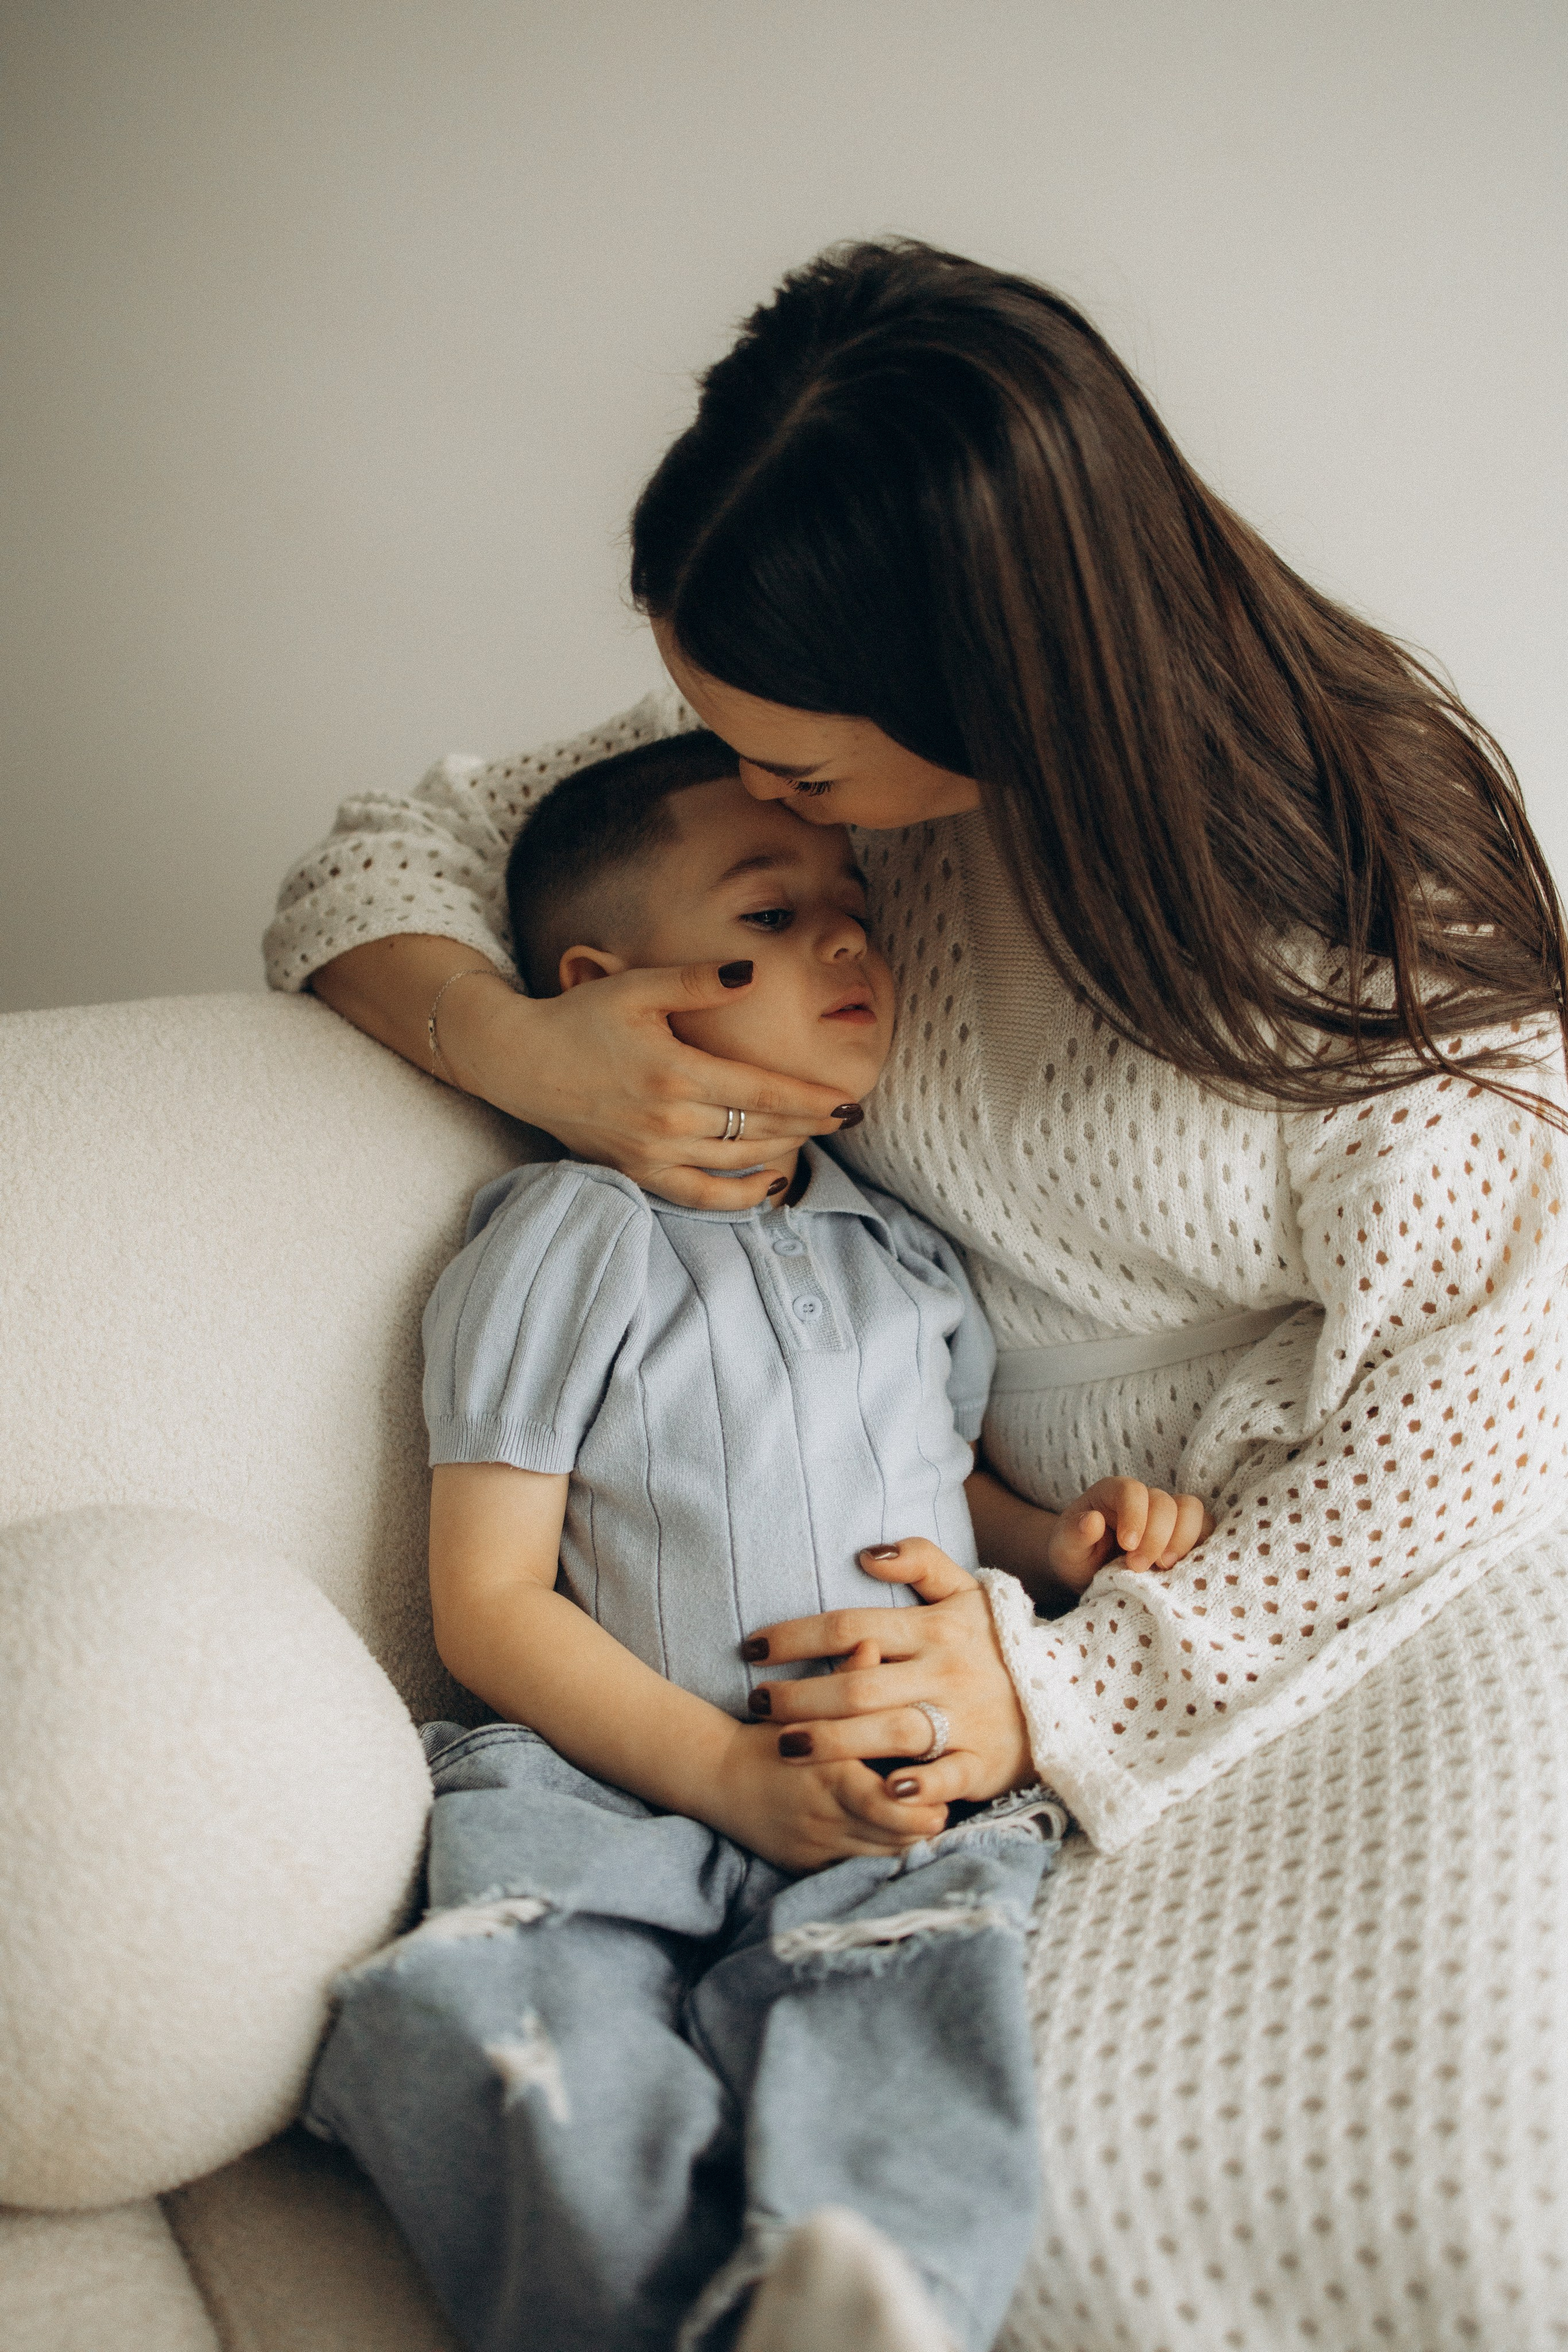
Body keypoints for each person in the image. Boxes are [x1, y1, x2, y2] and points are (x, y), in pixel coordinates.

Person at [268, 239, 1568, 2329]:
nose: (772, 814)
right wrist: (520, 1050)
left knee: (1312, 2151)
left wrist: (1064, 1670)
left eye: (800, 780)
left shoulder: (1372, 915)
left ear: (995, 687)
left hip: (1317, 1583)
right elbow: (392, 852)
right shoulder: (797, 807)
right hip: (958, 1567)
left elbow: (1485, 1412)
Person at [304, 729, 1214, 2352]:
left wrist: (1068, 1546)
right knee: (485, 2020)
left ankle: (865, 2300)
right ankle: (665, 2310)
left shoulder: (903, 1255)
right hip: (603, 1778)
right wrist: (721, 1780)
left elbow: (948, 1491)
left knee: (925, 2033)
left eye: (847, 898)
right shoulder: (575, 1242)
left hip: (890, 1789)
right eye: (767, 919)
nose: (848, 935)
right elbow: (488, 1602)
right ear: (601, 990)